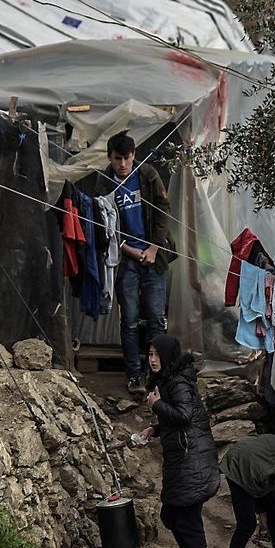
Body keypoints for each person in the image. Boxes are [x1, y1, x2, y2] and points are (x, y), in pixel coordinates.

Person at [95, 132, 176, 395]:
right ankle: (134, 375)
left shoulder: (147, 174)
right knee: (129, 320)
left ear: (134, 156)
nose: (122, 164)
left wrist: (153, 248)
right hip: (124, 260)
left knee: (156, 318)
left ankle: (159, 376)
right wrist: (128, 249)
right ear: (110, 157)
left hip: (154, 256)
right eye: (117, 159)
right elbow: (102, 227)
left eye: (127, 158)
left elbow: (164, 213)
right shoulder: (103, 182)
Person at [137, 335, 218, 548]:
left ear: (168, 355)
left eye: (157, 354)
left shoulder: (178, 382)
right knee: (171, 515)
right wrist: (154, 429)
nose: (152, 359)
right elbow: (177, 419)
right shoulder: (168, 379)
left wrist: (157, 404)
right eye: (150, 354)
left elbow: (184, 415)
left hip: (193, 461)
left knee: (187, 521)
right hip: (183, 460)